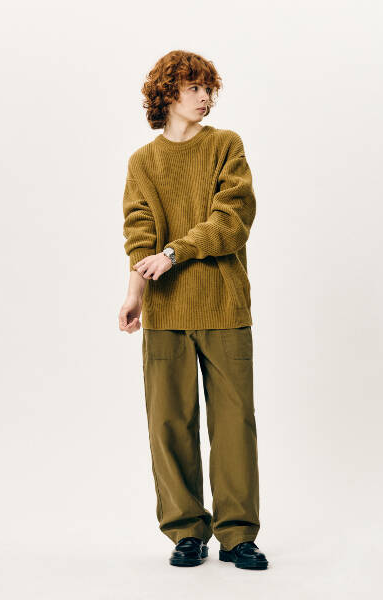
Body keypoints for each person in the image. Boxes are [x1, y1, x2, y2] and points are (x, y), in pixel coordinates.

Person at [119, 50, 268, 570]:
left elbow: (233, 220)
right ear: (168, 94)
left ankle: (238, 534)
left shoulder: (226, 146)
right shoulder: (143, 162)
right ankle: (186, 531)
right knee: (168, 424)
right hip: (165, 313)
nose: (206, 97)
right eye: (195, 88)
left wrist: (175, 252)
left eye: (209, 89)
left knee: (234, 424)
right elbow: (138, 233)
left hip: (224, 306)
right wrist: (134, 294)